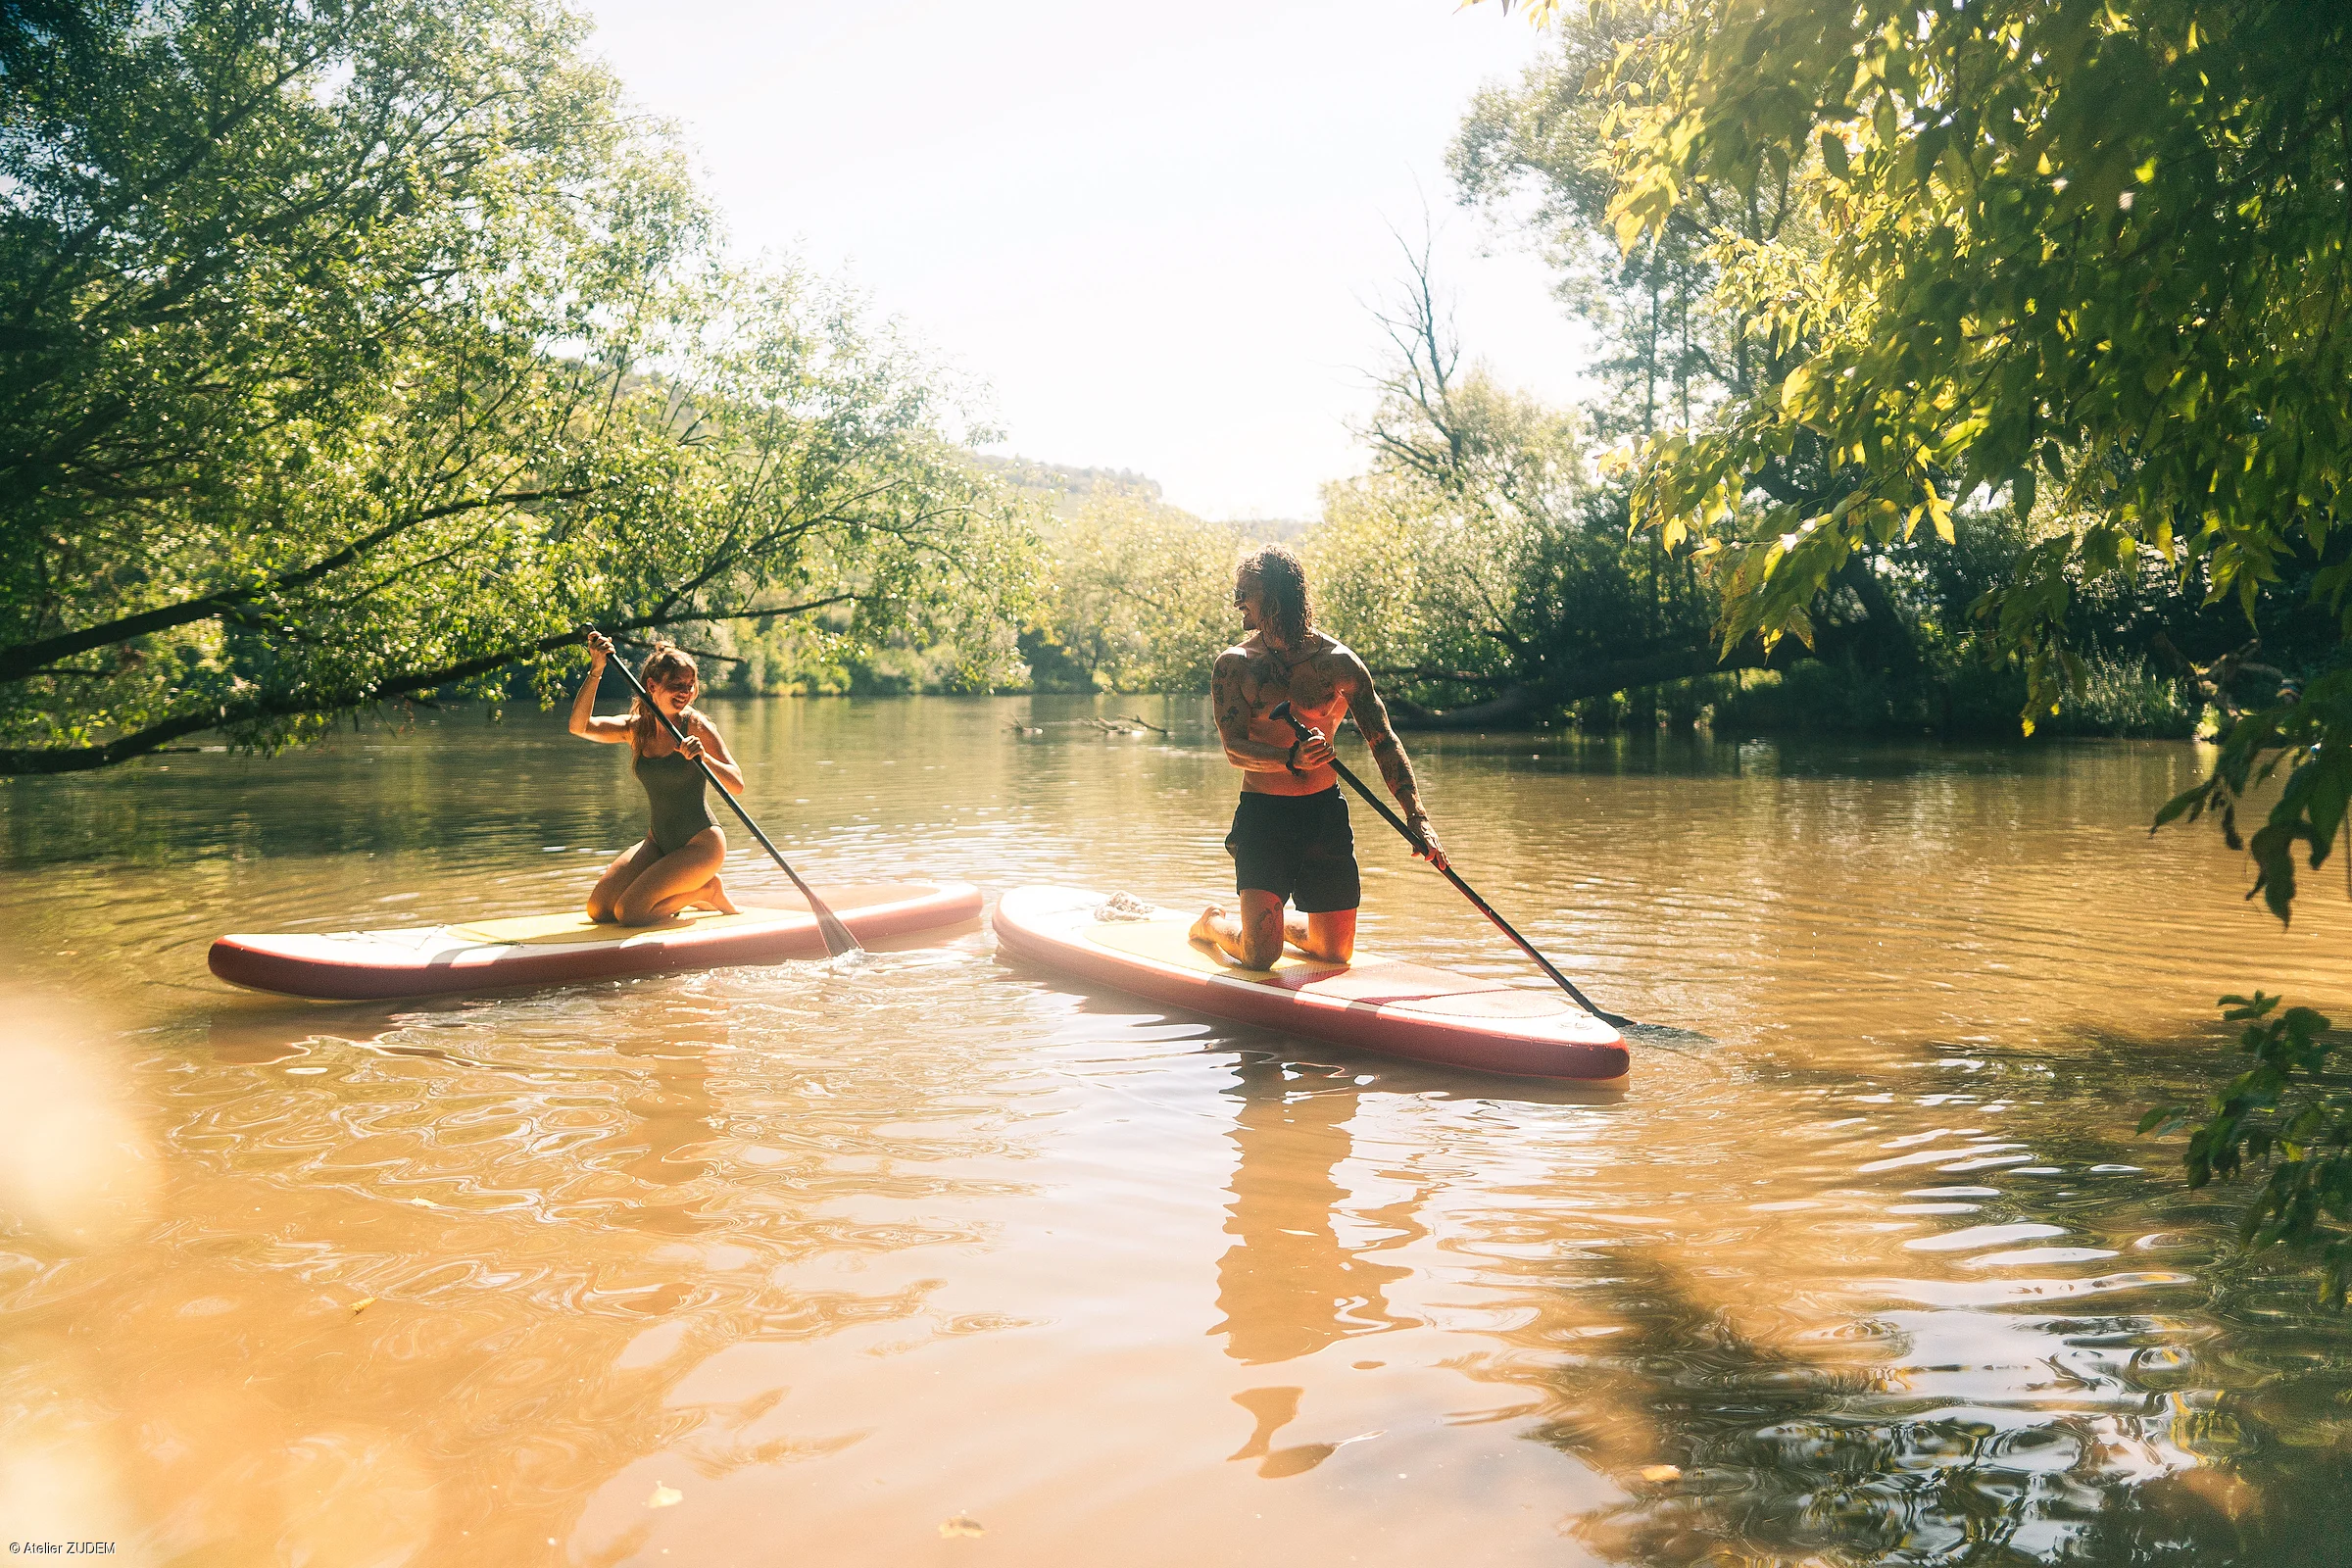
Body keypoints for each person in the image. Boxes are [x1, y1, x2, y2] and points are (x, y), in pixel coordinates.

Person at [1190, 544, 1446, 969]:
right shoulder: (1234, 665)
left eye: (1245, 594)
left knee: (1334, 953)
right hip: (1264, 815)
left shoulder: (1339, 663)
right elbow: (1234, 749)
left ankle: (1275, 924)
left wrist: (1417, 816)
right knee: (1259, 958)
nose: (1237, 603)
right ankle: (1214, 923)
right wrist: (1291, 758)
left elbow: (1382, 739)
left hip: (1323, 813)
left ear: (1274, 598)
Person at [569, 632, 744, 925]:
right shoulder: (635, 729)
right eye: (676, 685)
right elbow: (579, 726)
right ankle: (683, 892)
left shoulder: (695, 725)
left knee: (629, 913)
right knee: (599, 910)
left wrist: (705, 759)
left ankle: (707, 890)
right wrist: (597, 668)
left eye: (690, 686)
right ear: (652, 686)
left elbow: (737, 784)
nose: (685, 692)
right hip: (658, 842)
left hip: (701, 845)